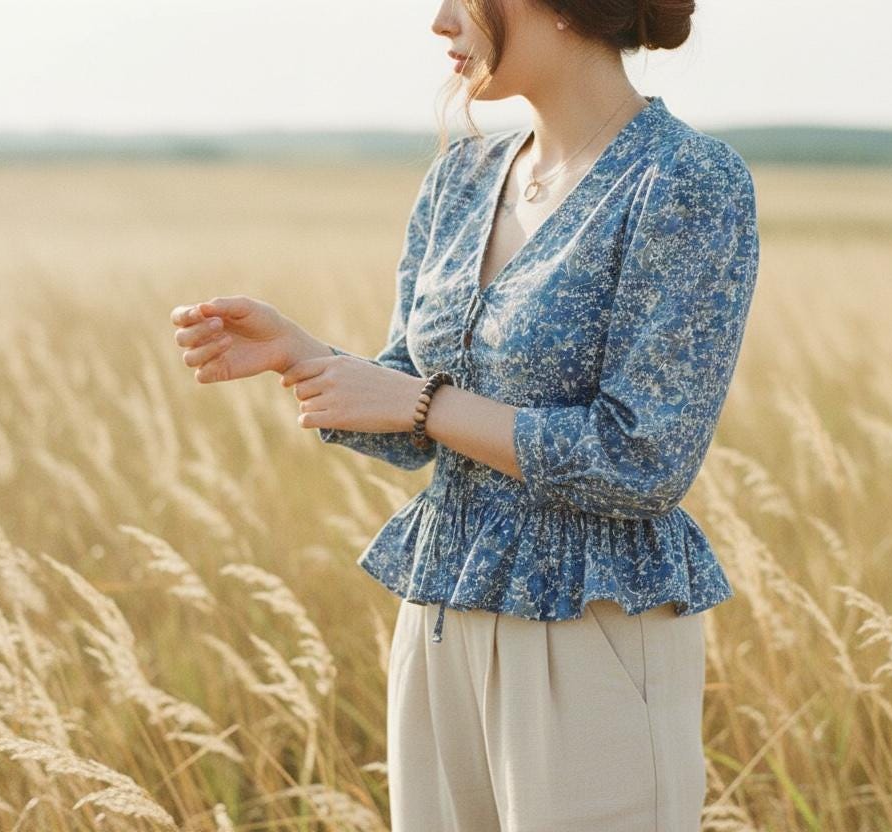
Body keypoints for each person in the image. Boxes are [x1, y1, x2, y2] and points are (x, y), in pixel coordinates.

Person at [169, 1, 760, 828]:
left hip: (591, 627)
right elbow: (414, 399)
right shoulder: (462, 176)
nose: (441, 20)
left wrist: (424, 404)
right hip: (439, 613)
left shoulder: (683, 181)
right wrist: (308, 359)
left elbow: (643, 460)